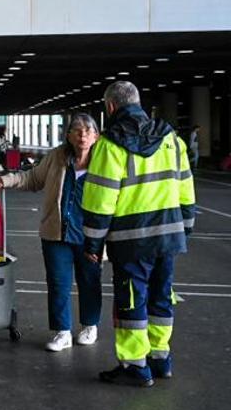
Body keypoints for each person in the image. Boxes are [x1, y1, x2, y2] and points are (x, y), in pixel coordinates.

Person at [82, 80, 196, 387]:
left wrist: (92, 242)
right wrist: (185, 228)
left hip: (131, 240)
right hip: (169, 236)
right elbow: (186, 187)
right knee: (162, 298)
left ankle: (135, 365)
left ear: (110, 107)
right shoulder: (171, 138)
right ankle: (161, 358)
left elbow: (100, 200)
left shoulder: (110, 144)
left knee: (131, 302)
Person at [0, 113, 103, 352]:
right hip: (56, 234)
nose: (82, 134)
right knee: (58, 283)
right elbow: (33, 178)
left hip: (90, 236)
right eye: (77, 130)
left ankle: (90, 325)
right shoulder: (56, 157)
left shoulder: (105, 161)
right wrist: (7, 180)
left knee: (89, 282)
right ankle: (62, 331)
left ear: (96, 135)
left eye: (88, 130)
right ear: (69, 135)